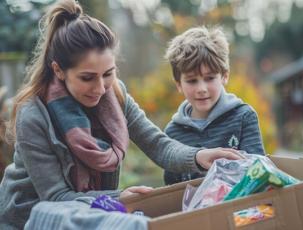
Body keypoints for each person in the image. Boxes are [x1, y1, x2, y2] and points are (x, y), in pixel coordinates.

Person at [0, 1, 242, 229]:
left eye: (108, 73)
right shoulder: (33, 115)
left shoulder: (116, 95)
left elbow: (158, 145)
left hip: (90, 212)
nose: (100, 88)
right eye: (87, 78)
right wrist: (118, 197)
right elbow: (56, 198)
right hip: (30, 220)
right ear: (59, 71)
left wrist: (199, 156)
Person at [163, 26, 265, 185]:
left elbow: (258, 171)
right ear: (178, 84)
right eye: (191, 81)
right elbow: (170, 187)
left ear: (224, 76)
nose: (201, 89)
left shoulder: (244, 117)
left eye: (209, 78)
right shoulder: (173, 132)